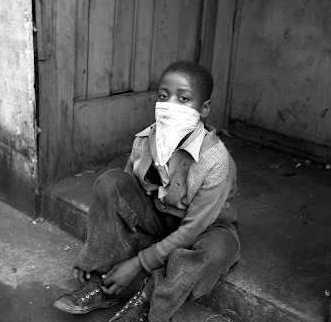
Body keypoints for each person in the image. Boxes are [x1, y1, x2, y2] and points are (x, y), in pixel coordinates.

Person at [53, 60, 240, 322]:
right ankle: (102, 284)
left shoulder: (215, 160)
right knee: (111, 182)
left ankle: (149, 303)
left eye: (183, 98)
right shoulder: (145, 139)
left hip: (204, 229)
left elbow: (192, 230)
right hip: (159, 217)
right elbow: (125, 198)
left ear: (204, 108)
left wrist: (138, 263)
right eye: (164, 96)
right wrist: (94, 255)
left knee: (217, 250)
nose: (171, 105)